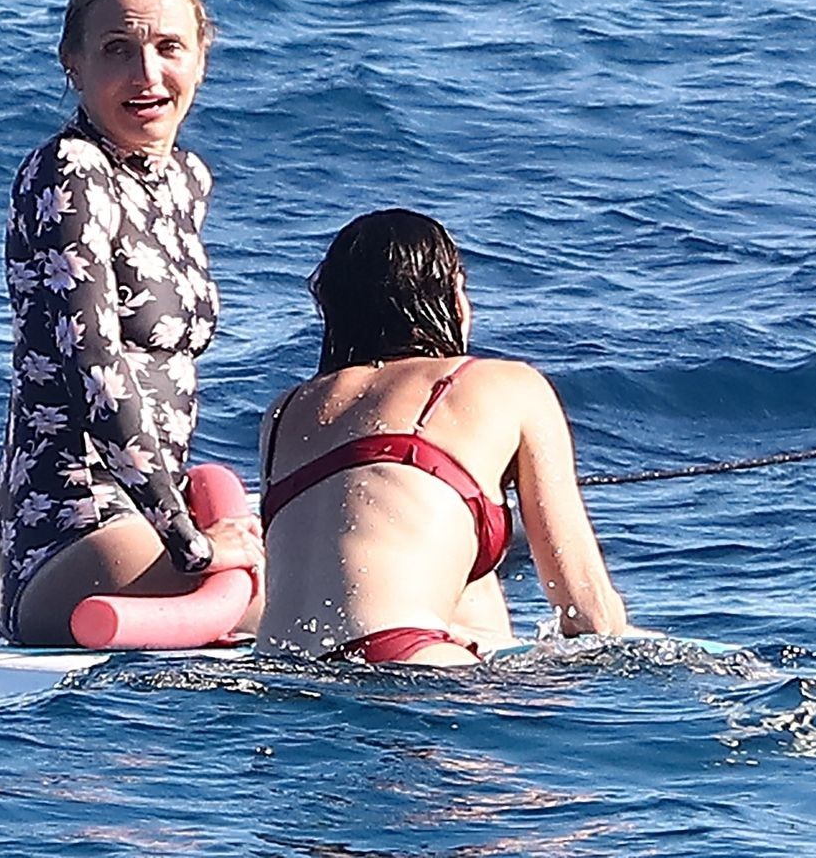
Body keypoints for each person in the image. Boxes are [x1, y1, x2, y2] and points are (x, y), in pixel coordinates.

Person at [0, 0, 263, 646]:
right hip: (68, 531)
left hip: (148, 519)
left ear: (202, 57)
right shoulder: (69, 171)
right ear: (72, 65)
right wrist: (192, 545)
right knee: (329, 596)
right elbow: (95, 373)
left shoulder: (185, 180)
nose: (147, 75)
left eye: (169, 48)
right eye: (117, 50)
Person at [257, 208, 629, 665]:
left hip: (284, 672)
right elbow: (586, 612)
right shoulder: (510, 386)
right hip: (406, 661)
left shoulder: (284, 412)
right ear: (447, 297)